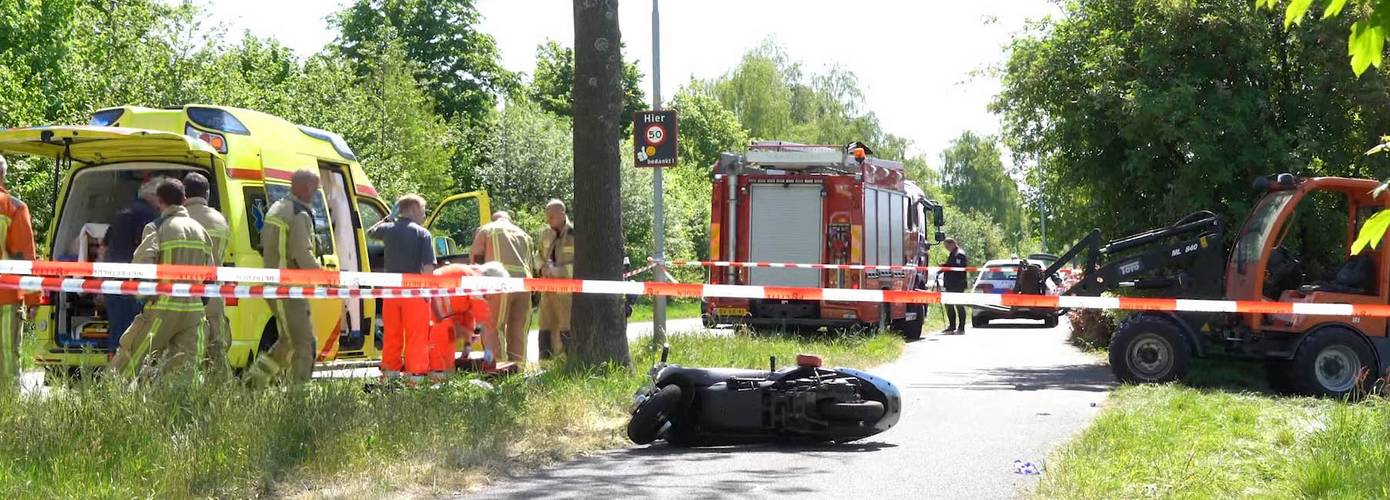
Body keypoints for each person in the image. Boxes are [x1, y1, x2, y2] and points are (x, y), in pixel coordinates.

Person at [108, 179, 215, 382]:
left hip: (162, 309)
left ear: (159, 201)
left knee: (129, 359)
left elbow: (142, 266)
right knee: (182, 374)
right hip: (193, 312)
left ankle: (108, 401)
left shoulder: (157, 227)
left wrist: (145, 296)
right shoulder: (201, 231)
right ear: (184, 199)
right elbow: (211, 275)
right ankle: (174, 411)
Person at [245, 169, 321, 387]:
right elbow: (302, 253)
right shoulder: (299, 214)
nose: (314, 194)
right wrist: (325, 276)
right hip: (289, 288)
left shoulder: (277, 208)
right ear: (306, 187)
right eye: (314, 189)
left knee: (287, 340)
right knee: (304, 343)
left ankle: (253, 383)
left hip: (277, 285)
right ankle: (299, 395)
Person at [366, 194, 436, 382]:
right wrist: (428, 293)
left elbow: (370, 232)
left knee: (392, 334)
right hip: (414, 292)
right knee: (416, 335)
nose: (424, 215)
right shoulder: (423, 234)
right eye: (423, 210)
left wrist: (389, 217)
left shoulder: (388, 230)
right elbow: (428, 269)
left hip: (391, 292)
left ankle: (389, 375)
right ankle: (415, 377)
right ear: (413, 208)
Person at [181, 172, 232, 380]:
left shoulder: (180, 220)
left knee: (186, 354)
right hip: (214, 296)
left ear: (184, 194)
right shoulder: (220, 219)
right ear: (208, 193)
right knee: (217, 351)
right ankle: (222, 397)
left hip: (185, 298)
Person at [102, 176, 161, 352]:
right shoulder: (151, 217)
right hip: (135, 282)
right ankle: (133, 373)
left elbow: (105, 245)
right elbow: (151, 251)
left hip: (112, 281)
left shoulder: (122, 213)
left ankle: (113, 371)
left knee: (117, 329)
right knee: (137, 332)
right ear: (153, 196)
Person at [470, 211, 534, 363]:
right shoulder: (524, 235)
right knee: (518, 330)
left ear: (494, 218)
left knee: (492, 326)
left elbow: (476, 258)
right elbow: (532, 263)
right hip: (524, 285)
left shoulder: (487, 229)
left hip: (499, 282)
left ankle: (496, 368)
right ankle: (518, 369)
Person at [428, 263, 505, 379]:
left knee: (460, 320)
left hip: (432, 307)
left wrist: (468, 344)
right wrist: (490, 352)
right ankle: (440, 381)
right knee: (445, 335)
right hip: (435, 314)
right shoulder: (475, 281)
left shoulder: (467, 274)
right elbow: (485, 323)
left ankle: (440, 376)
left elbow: (469, 317)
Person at [0, 154, 36, 390]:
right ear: (3, 174)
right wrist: (33, 298)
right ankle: (8, 405)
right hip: (6, 296)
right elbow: (25, 257)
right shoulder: (13, 207)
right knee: (7, 353)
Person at [534, 199, 574, 360]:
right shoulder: (545, 233)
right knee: (545, 327)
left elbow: (581, 264)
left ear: (562, 214)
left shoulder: (574, 234)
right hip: (547, 291)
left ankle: (569, 362)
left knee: (566, 326)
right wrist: (541, 266)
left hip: (567, 293)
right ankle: (544, 364)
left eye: (552, 217)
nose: (548, 220)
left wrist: (558, 271)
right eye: (547, 216)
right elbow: (537, 254)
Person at [940, 238, 969, 334]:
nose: (947, 248)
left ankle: (961, 328)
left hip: (957, 284)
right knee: (949, 304)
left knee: (959, 305)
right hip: (950, 284)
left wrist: (946, 267)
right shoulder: (953, 253)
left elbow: (958, 268)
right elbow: (951, 265)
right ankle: (952, 326)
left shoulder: (959, 254)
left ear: (952, 244)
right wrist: (944, 266)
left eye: (947, 246)